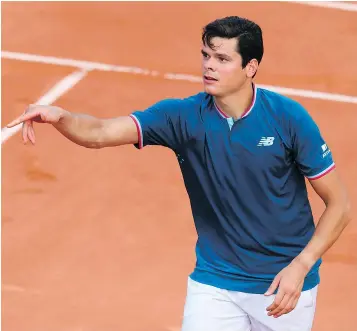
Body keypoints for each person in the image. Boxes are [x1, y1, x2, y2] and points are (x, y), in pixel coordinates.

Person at [7, 16, 351, 331]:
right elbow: (99, 132)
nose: (209, 66)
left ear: (251, 67)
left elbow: (339, 205)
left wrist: (302, 265)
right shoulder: (182, 117)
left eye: (222, 59)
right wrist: (61, 117)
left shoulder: (288, 118)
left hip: (283, 286)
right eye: (206, 56)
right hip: (216, 281)